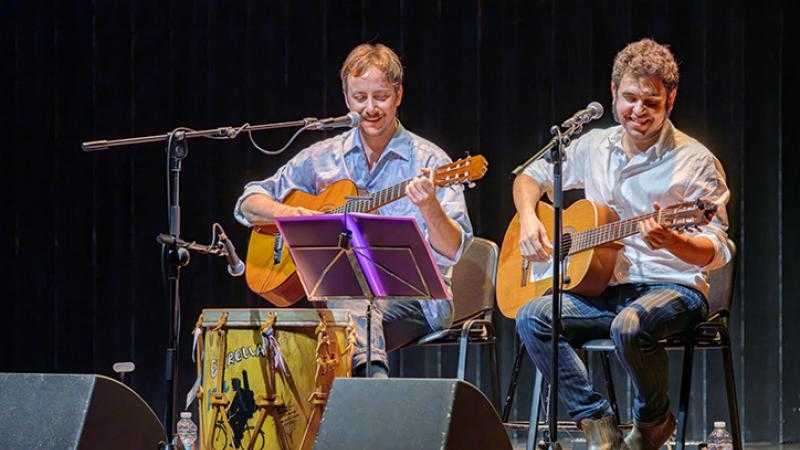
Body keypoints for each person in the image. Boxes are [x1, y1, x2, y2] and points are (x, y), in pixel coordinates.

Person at [513, 39, 733, 449]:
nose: (638, 111)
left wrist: (671, 241)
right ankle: (598, 423)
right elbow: (530, 176)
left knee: (629, 325)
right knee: (532, 316)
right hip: (604, 290)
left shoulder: (695, 161)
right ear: (613, 93)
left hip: (673, 287)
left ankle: (652, 425)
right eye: (630, 98)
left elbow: (717, 251)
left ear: (671, 99)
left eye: (651, 102)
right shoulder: (594, 145)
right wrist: (529, 218)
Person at [234, 43, 473, 378]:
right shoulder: (324, 157)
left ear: (399, 94)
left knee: (350, 314)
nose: (371, 108)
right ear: (346, 99)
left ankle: (371, 407)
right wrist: (291, 216)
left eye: (381, 96)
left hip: (419, 299)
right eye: (360, 98)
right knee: (306, 324)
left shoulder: (431, 161)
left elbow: (453, 249)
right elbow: (248, 202)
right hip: (337, 296)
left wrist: (429, 206)